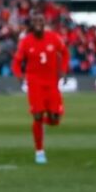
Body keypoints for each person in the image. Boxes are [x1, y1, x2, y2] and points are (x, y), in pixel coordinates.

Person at [12, 12, 69, 165]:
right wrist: (18, 74)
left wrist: (63, 69)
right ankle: (39, 151)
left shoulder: (54, 38)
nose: (38, 22)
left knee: (55, 119)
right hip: (34, 83)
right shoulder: (25, 42)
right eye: (35, 20)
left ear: (44, 23)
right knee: (37, 115)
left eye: (41, 20)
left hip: (51, 83)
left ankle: (40, 123)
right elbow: (16, 62)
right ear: (31, 24)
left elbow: (65, 53)